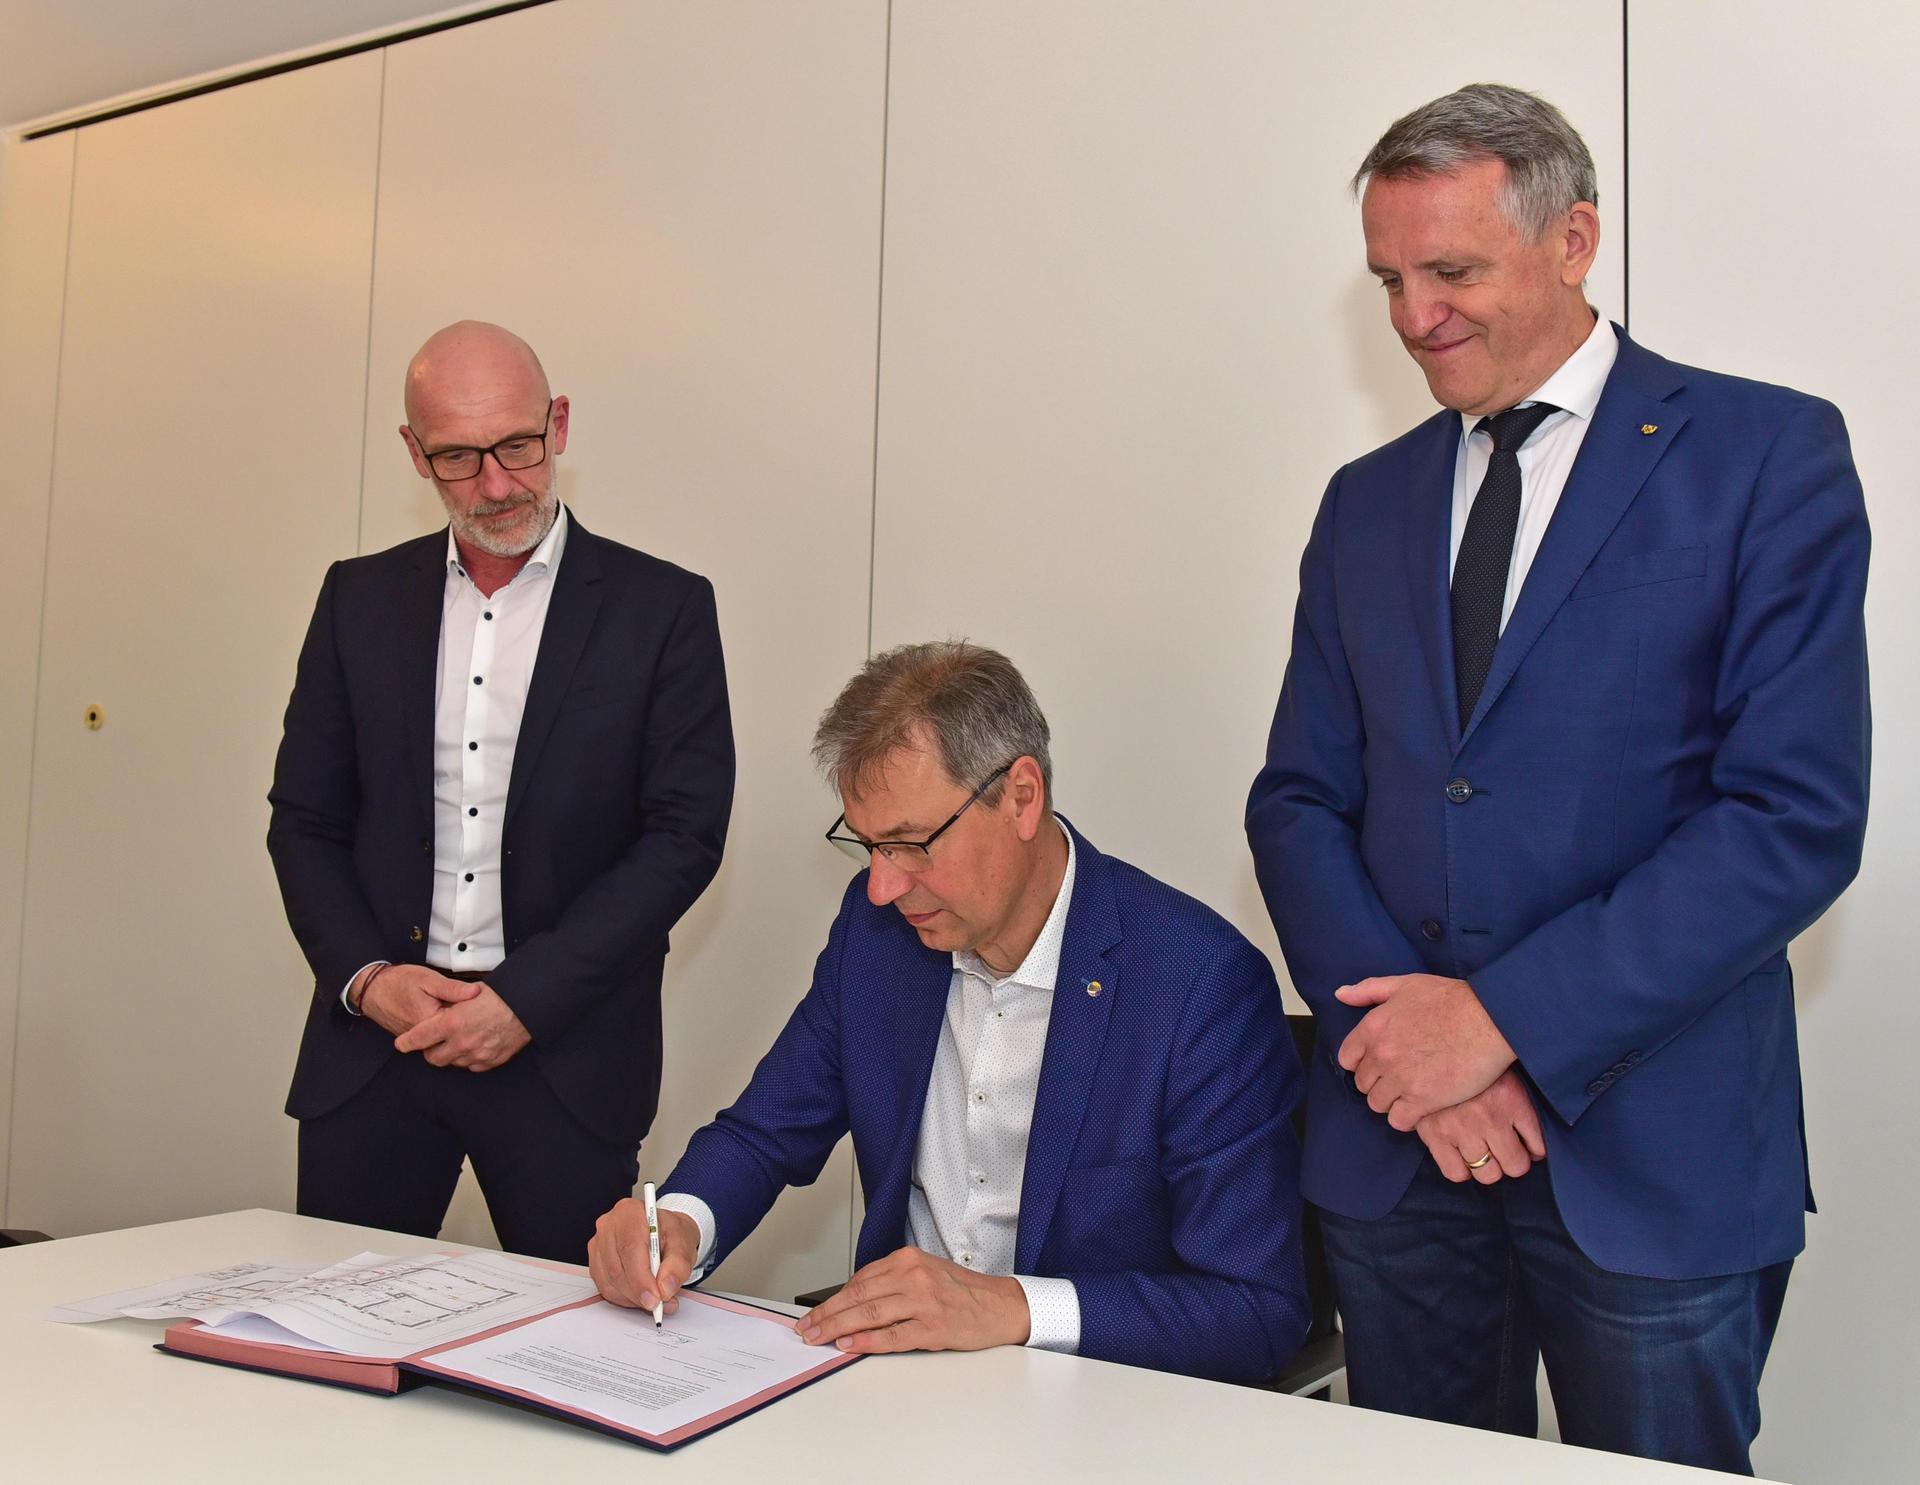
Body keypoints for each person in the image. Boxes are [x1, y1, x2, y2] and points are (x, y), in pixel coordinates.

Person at [1246, 84, 1869, 1472]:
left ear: (1575, 239)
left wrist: (1504, 1023)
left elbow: (1791, 818)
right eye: (1390, 280)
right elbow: (1296, 800)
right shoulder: (1366, 501)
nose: (1414, 317)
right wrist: (1417, 1059)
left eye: (1451, 272)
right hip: (1399, 1150)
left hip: (1654, 1154)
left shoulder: (1766, 457)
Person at [589, 641, 1308, 1382]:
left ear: (1021, 796)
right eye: (866, 845)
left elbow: (1255, 1308)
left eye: (908, 844)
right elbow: (765, 1130)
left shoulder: (1195, 983)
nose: (881, 886)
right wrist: (677, 1220)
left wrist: (1013, 1307)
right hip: (903, 1393)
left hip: (1103, 1405)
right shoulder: (879, 939)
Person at [268, 320, 735, 1263]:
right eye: (457, 457)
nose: (495, 483)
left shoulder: (663, 609)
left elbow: (682, 836)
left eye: (517, 446)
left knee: (572, 1363)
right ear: (414, 453)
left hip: (566, 1052)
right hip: (378, 1051)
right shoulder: (356, 599)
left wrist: (526, 998)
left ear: (558, 424)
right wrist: (368, 980)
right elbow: (306, 821)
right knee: (335, 1347)